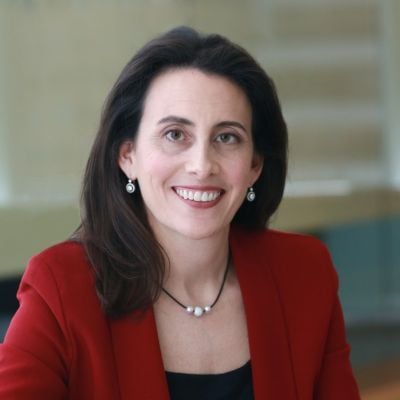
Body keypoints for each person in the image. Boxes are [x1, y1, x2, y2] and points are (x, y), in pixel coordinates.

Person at [0, 26, 360, 399]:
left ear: (255, 165)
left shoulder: (304, 273)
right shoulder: (61, 288)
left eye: (227, 137)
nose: (202, 165)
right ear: (128, 156)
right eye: (175, 134)